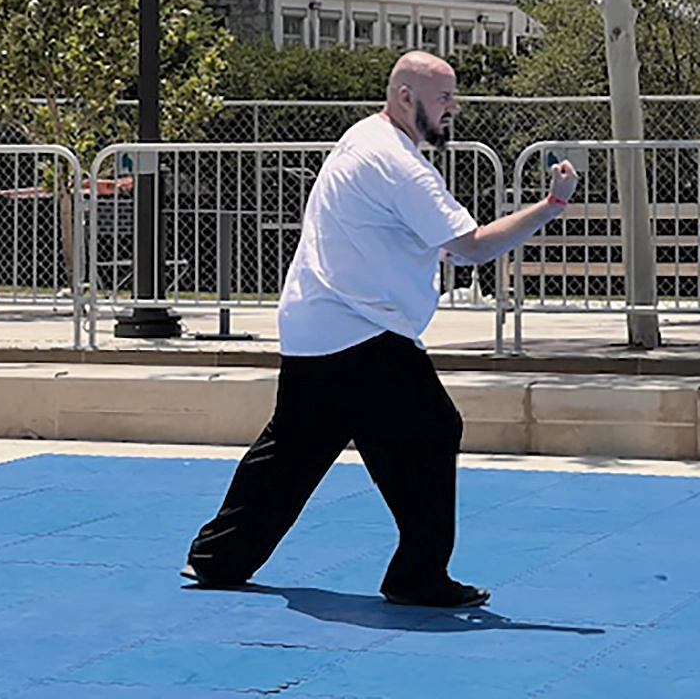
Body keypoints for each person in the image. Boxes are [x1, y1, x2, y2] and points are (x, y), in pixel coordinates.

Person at [182, 51, 578, 608]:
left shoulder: (363, 139)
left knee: (294, 447)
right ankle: (417, 575)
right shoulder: (397, 163)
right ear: (404, 97)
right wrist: (551, 205)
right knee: (433, 428)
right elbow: (471, 247)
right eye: (444, 98)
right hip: (361, 331)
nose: (453, 109)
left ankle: (217, 558)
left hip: (315, 327)